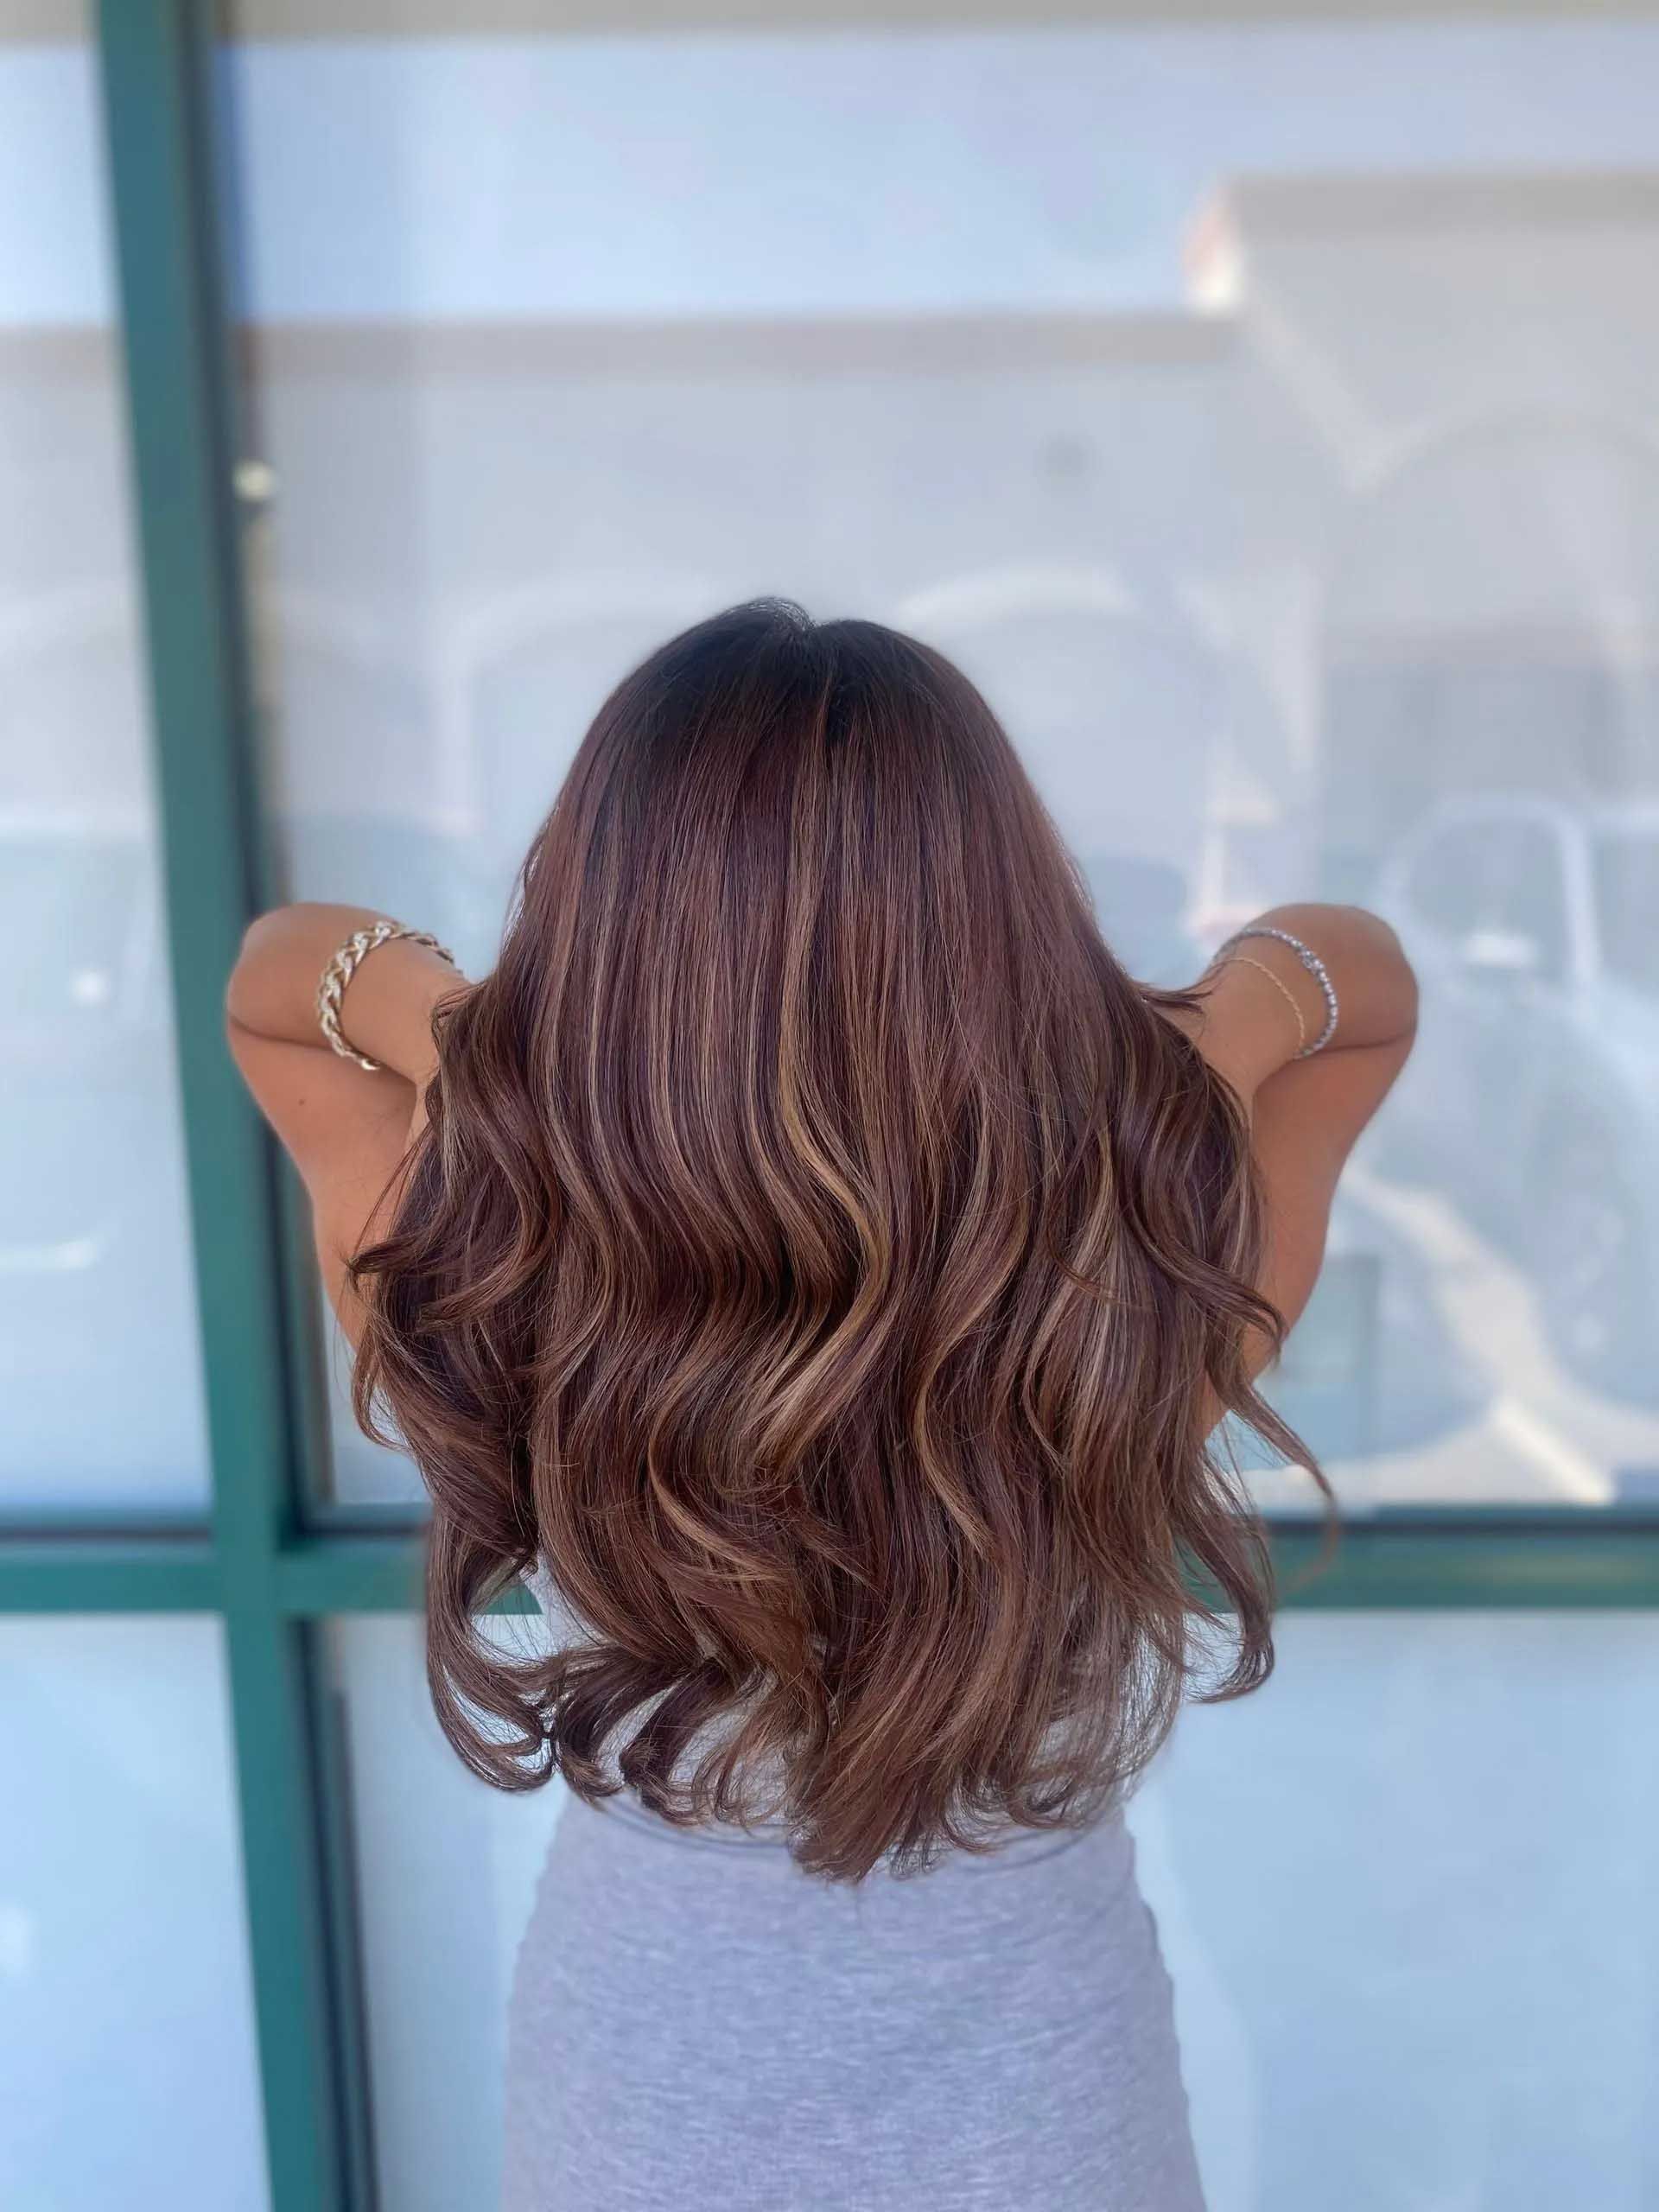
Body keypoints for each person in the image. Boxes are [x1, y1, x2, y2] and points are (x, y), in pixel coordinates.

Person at [226, 601, 1417, 2211]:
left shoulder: (484, 1253)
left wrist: (475, 1043)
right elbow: (1363, 972)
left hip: (637, 2098)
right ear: (1010, 912)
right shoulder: (1142, 1284)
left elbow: (279, 975)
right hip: (1044, 2115)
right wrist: (1194, 1047)